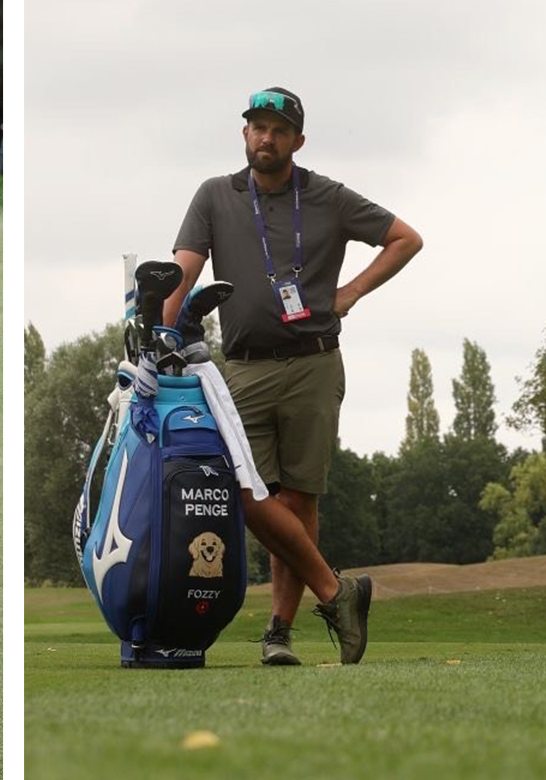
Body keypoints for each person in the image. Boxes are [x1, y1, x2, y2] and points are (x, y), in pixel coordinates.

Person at [163, 86, 421, 665]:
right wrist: (163, 329)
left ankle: (278, 634)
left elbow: (407, 238)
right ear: (244, 134)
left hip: (314, 363)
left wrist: (351, 291)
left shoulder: (327, 196)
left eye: (279, 129)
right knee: (244, 490)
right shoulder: (215, 195)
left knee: (299, 502)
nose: (266, 137)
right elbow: (184, 269)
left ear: (297, 141)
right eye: (257, 126)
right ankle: (337, 591)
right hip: (244, 368)